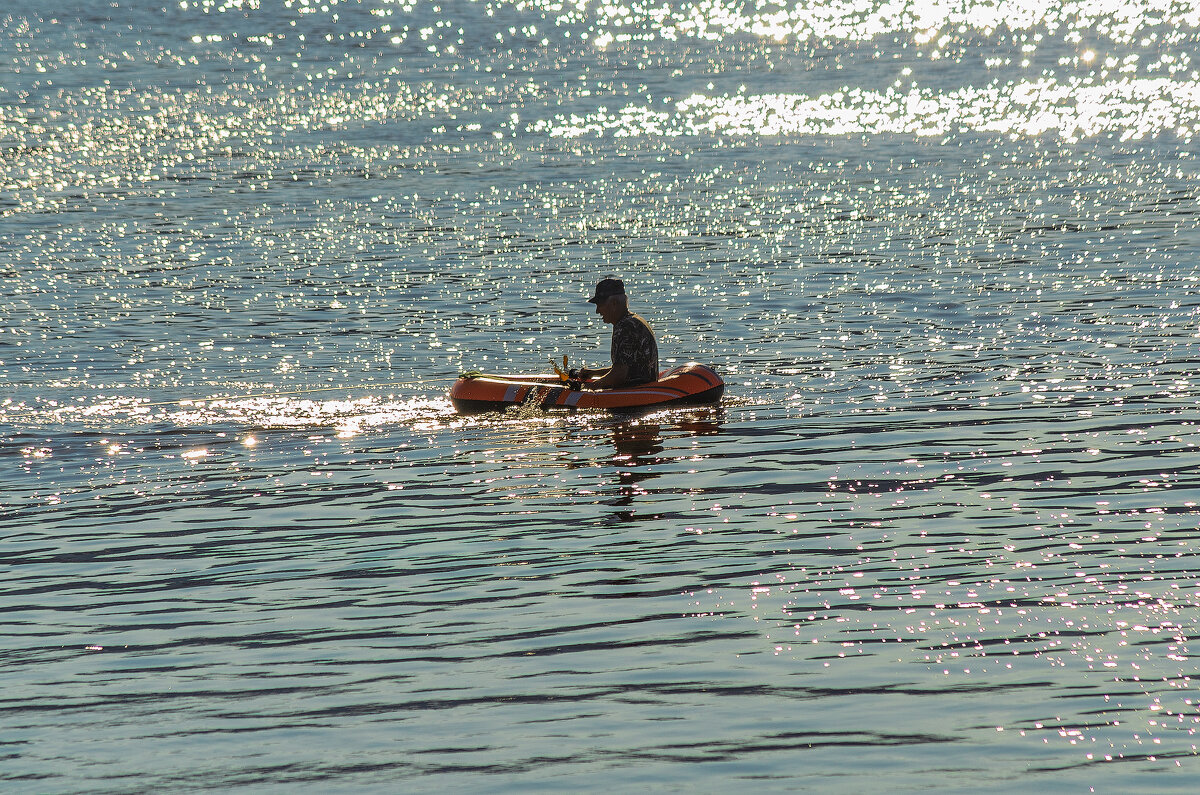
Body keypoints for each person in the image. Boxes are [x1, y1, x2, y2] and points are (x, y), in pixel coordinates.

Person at [574, 277, 659, 390]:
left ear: (614, 303)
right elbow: (626, 367)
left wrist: (589, 387)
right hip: (644, 385)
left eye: (600, 304)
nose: (597, 311)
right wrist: (592, 373)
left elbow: (619, 375)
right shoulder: (634, 320)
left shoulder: (625, 327)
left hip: (635, 393)